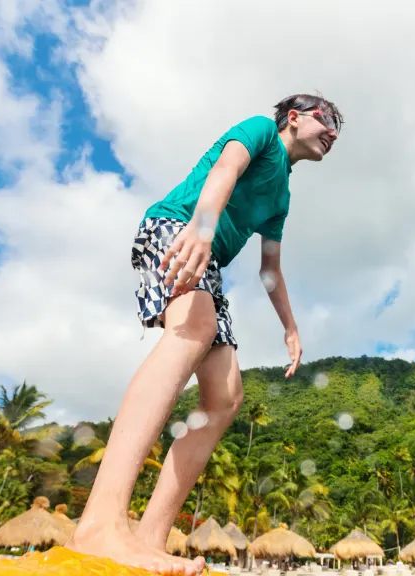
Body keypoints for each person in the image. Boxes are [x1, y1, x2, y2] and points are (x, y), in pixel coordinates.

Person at [66, 94, 342, 574]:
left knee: (226, 397)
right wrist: (204, 226)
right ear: (294, 118)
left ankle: (150, 538)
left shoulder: (283, 197)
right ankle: (99, 525)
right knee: (195, 326)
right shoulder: (260, 130)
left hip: (208, 254)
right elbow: (226, 169)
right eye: (328, 119)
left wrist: (291, 328)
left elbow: (270, 267)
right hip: (179, 225)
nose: (335, 132)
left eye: (340, 129)